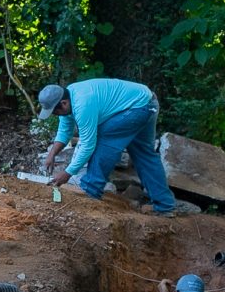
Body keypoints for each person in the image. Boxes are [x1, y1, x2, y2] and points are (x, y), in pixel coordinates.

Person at [37, 79, 198, 216]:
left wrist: (67, 173)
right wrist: (52, 155)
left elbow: (87, 144)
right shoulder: (68, 100)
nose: (55, 115)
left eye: (55, 112)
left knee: (104, 138)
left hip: (138, 108)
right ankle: (164, 206)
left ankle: (91, 190)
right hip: (148, 103)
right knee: (145, 154)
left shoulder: (83, 104)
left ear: (63, 104)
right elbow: (64, 131)